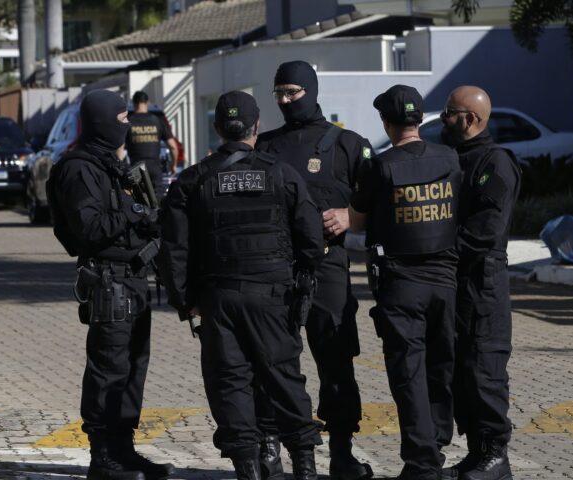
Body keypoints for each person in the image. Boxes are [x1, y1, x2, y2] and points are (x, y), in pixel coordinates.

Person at [158, 91, 324, 480]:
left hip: (218, 300)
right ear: (257, 127)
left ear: (217, 129)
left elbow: (174, 251)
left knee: (230, 383)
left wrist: (186, 301)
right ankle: (305, 467)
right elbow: (312, 240)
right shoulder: (281, 173)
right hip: (272, 297)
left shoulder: (192, 180)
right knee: (284, 378)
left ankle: (248, 470)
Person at [254, 60, 374, 480]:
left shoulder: (347, 144)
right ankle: (270, 451)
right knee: (272, 362)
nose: (286, 101)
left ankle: (342, 451)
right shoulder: (264, 146)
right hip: (275, 271)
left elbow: (381, 201)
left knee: (336, 361)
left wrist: (351, 217)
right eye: (279, 94)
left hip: (328, 267)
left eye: (293, 92)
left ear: (312, 90)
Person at [46, 89, 174, 480]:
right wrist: (135, 212)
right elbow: (88, 229)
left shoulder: (111, 166)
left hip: (134, 279)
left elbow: (137, 216)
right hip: (108, 283)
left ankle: (124, 449)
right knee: (108, 370)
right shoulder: (78, 169)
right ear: (102, 121)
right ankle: (102, 458)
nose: (128, 127)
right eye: (122, 120)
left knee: (133, 368)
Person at [349, 85, 462, 480]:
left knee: (409, 373)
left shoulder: (380, 167)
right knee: (440, 367)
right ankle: (438, 444)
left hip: (401, 283)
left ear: (387, 122)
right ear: (418, 120)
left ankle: (421, 462)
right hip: (445, 282)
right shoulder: (449, 158)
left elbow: (358, 219)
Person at [441, 86, 520, 480]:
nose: (442, 120)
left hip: (483, 281)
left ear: (471, 119)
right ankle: (476, 453)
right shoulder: (450, 158)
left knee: (484, 368)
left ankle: (495, 454)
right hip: (453, 281)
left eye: (449, 113)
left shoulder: (495, 162)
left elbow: (486, 230)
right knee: (460, 370)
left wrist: (437, 248)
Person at [125, 91, 179, 198]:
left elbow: (120, 148)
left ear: (134, 103)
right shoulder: (157, 120)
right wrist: (174, 165)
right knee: (157, 201)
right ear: (147, 102)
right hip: (155, 167)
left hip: (136, 167)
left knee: (137, 200)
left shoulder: (129, 121)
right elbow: (173, 146)